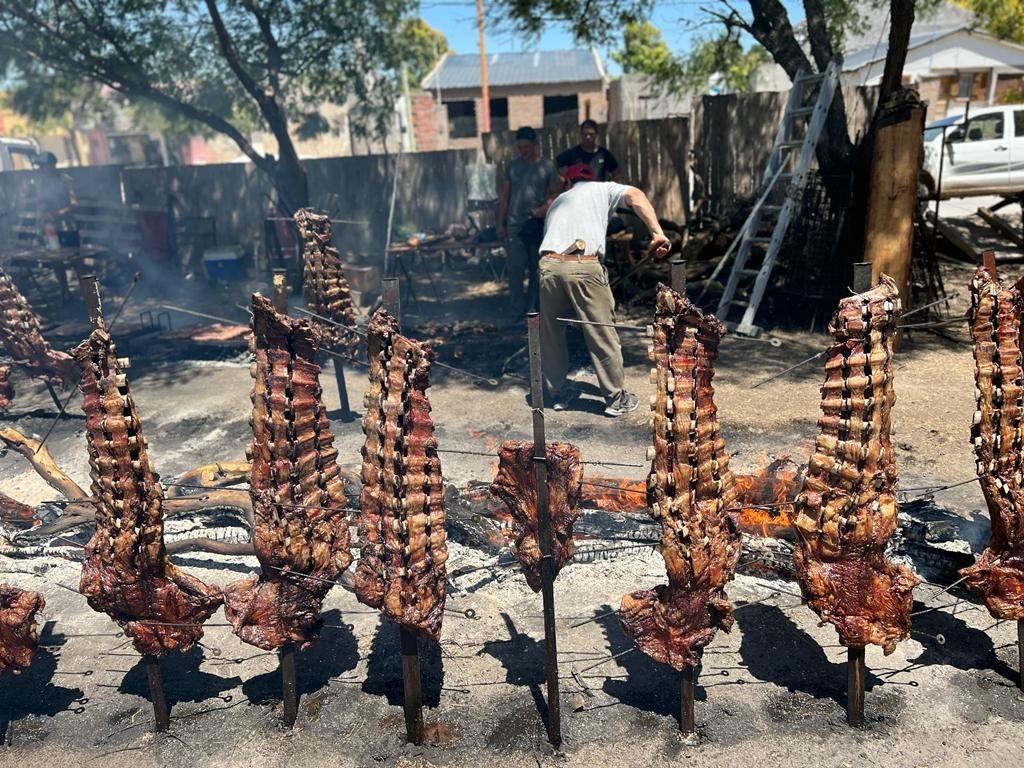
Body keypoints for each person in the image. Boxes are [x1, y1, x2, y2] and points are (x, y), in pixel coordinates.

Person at [538, 163, 670, 417]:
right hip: (583, 265)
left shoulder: (558, 202)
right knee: (602, 331)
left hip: (548, 267)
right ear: (595, 179)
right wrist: (657, 233)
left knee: (552, 333)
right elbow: (635, 196)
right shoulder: (603, 188)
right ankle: (615, 398)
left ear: (568, 182)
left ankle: (558, 394)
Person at [496, 126, 561, 316]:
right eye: (520, 147)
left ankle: (533, 310)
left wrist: (543, 209)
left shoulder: (546, 167)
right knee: (515, 270)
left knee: (536, 269)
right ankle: (516, 311)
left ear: (535, 144)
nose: (522, 151)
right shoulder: (512, 167)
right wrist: (501, 223)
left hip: (536, 225)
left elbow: (555, 193)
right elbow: (504, 197)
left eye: (526, 147)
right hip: (515, 225)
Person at [32, 151, 77, 239]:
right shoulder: (41, 183)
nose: (41, 169)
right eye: (40, 166)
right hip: (48, 229)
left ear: (52, 165)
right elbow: (40, 206)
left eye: (43, 166)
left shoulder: (65, 180)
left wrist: (56, 213)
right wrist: (38, 232)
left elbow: (74, 204)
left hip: (66, 227)